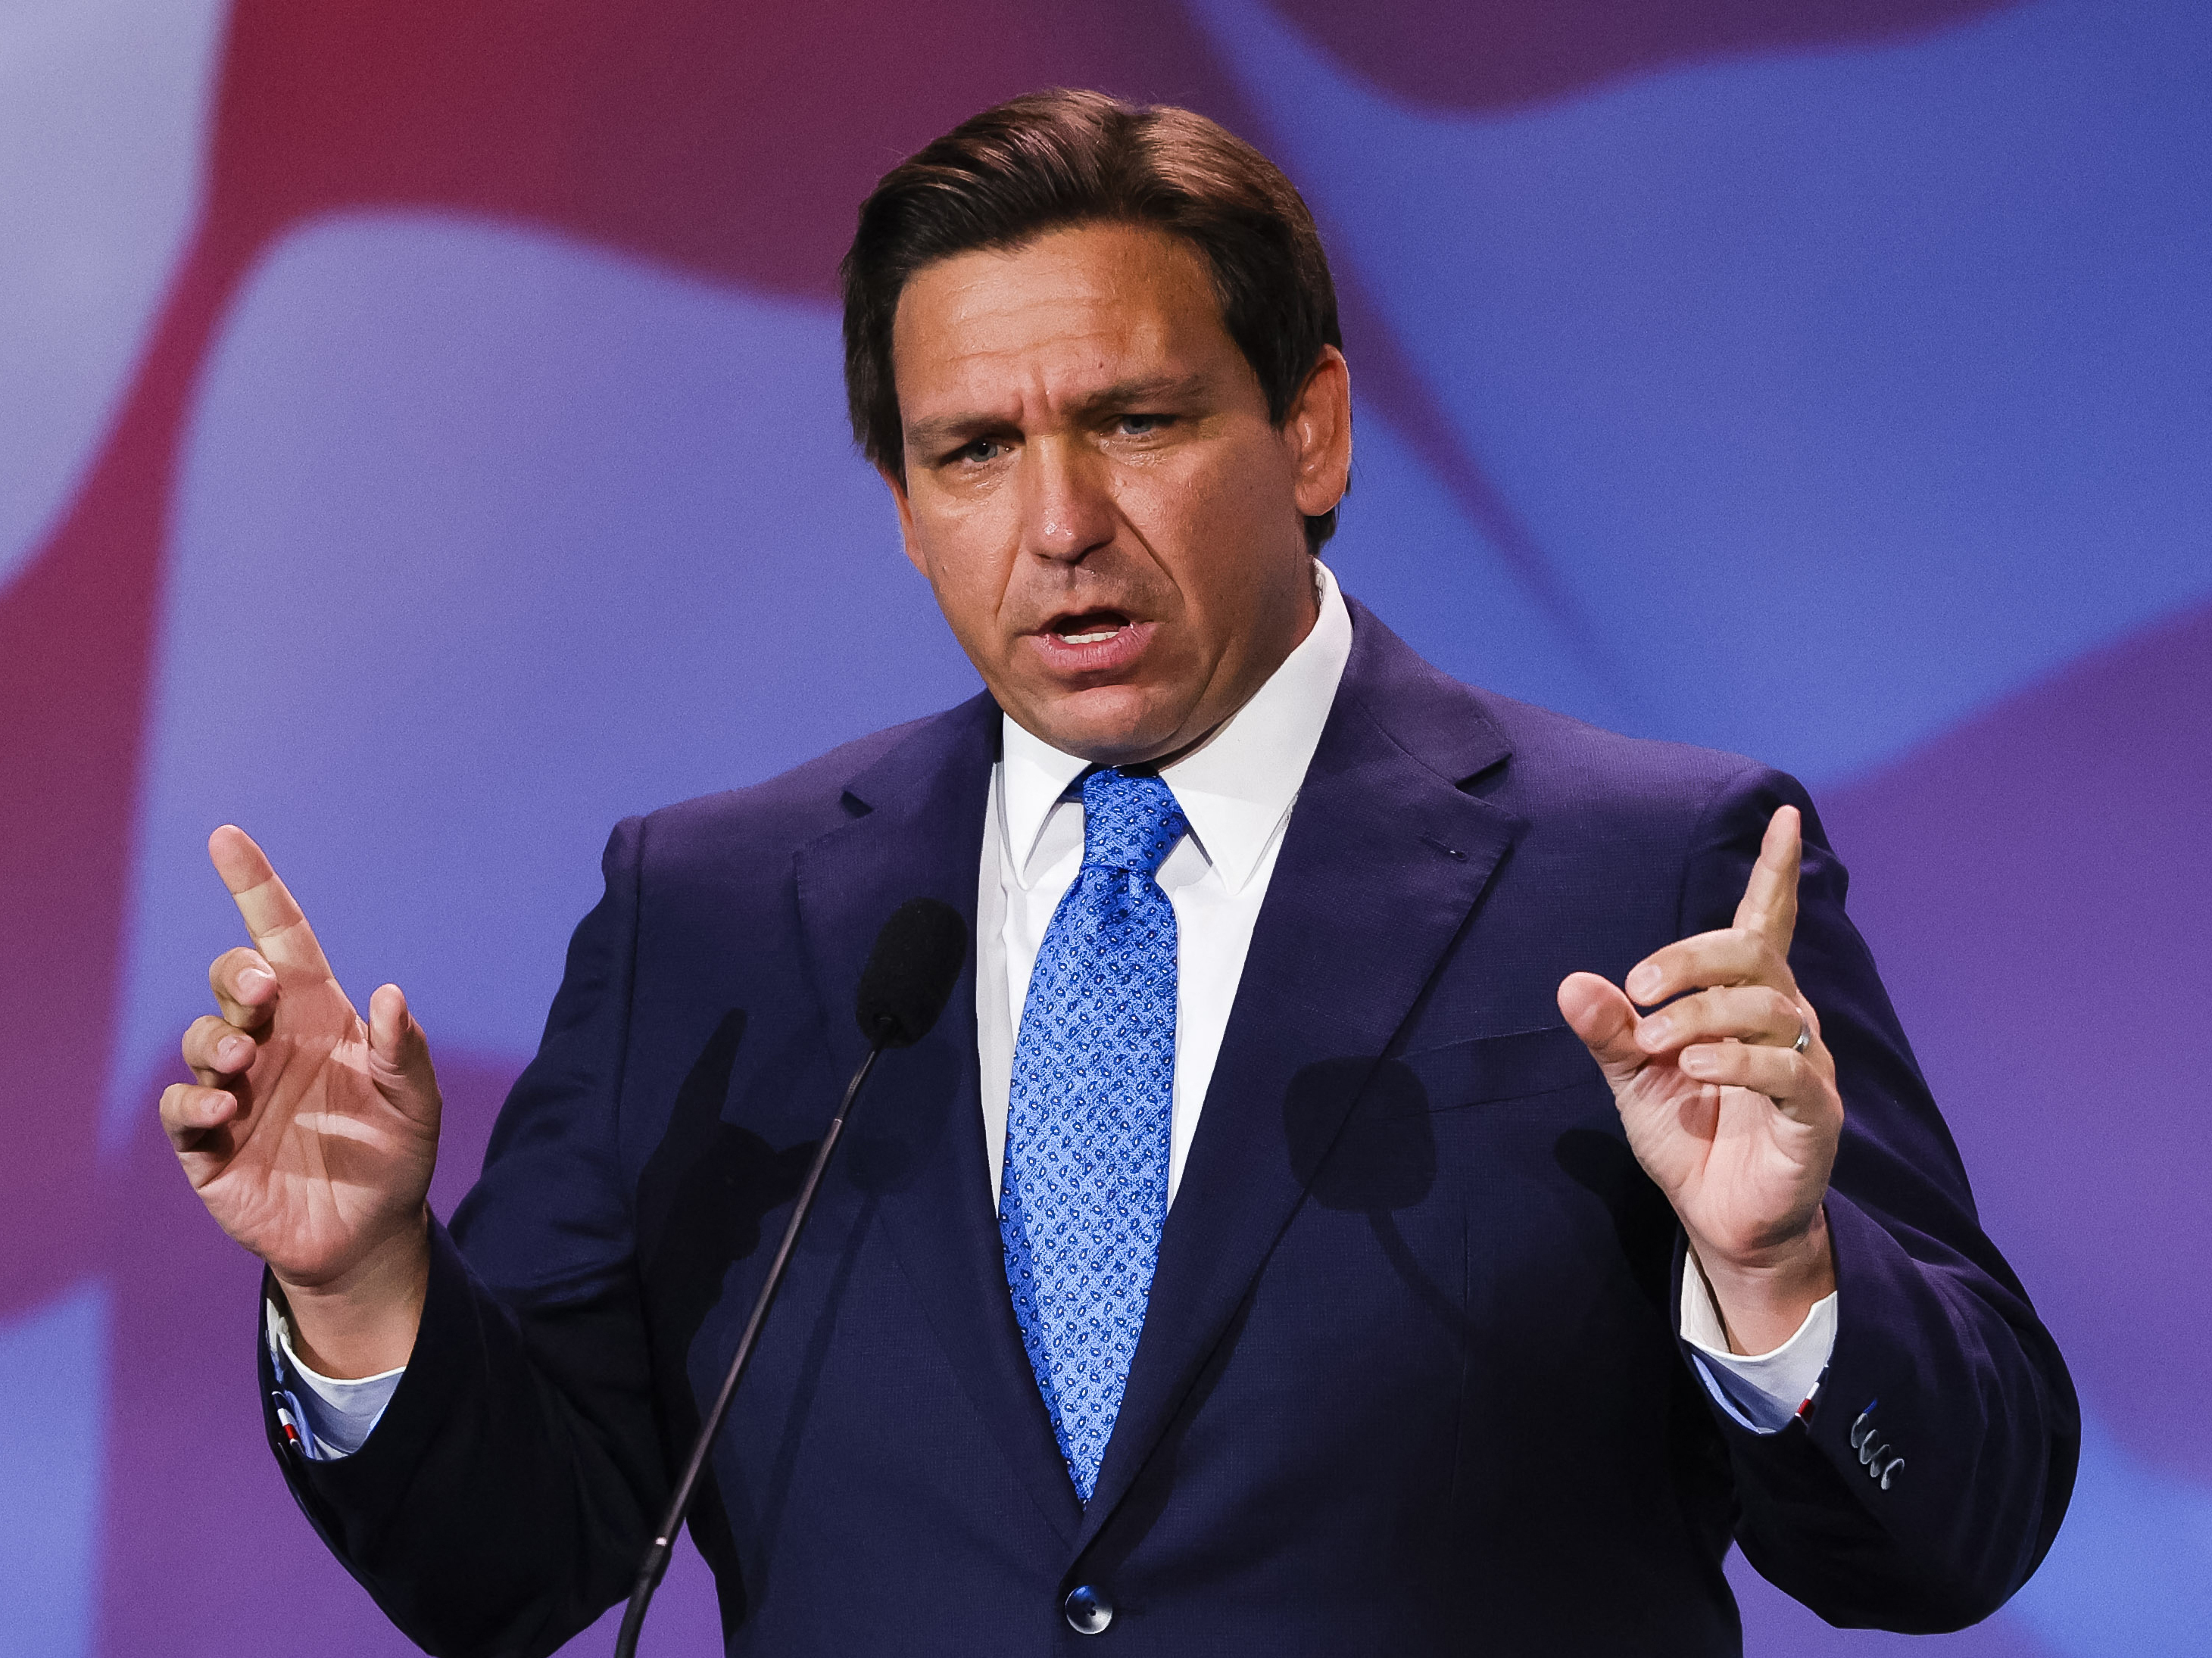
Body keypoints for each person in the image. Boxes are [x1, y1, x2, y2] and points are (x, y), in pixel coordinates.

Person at [161, 90, 2076, 1654]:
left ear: (1310, 430)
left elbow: (1956, 1537)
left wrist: (1777, 1271)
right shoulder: (718, 913)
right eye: (973, 452)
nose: (1059, 523)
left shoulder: (1649, 865)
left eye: (1135, 422)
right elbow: (512, 1571)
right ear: (906, 507)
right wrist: (362, 1281)